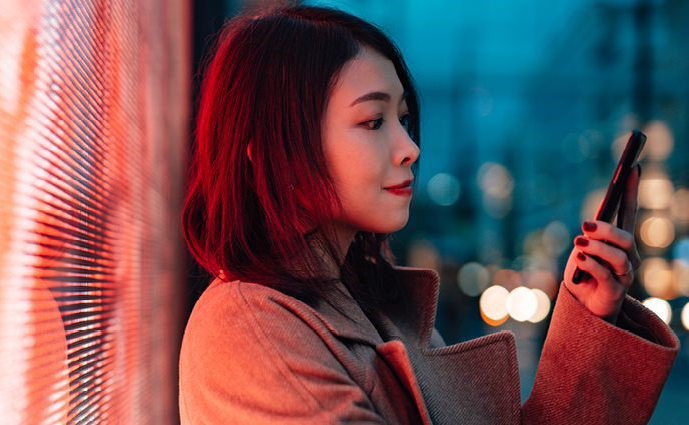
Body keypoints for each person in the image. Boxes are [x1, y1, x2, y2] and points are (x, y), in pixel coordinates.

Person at [178, 5, 679, 424]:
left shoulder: (367, 304)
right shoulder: (249, 328)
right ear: (273, 150)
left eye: (402, 119)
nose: (409, 147)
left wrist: (592, 314)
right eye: (373, 121)